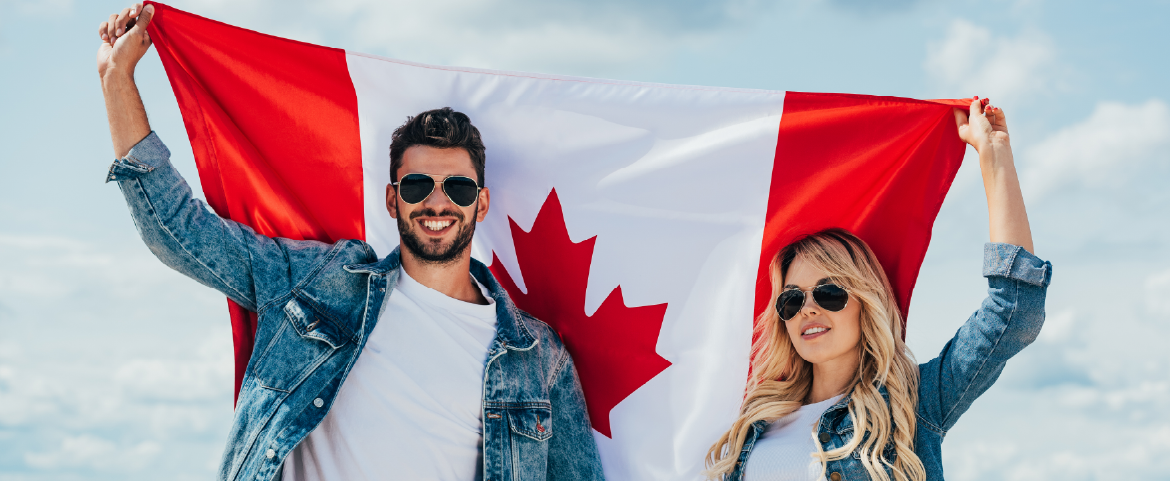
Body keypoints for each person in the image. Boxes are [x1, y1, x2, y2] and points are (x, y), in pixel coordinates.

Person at [96, 4, 605, 481]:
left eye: (458, 187)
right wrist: (116, 79)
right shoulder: (321, 283)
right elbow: (181, 232)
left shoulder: (537, 357)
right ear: (392, 200)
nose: (436, 201)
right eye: (416, 185)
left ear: (481, 203)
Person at [704, 97, 1051, 481]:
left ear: (864, 303)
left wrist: (996, 156)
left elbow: (1015, 311)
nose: (807, 309)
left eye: (828, 293)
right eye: (792, 299)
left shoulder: (914, 403)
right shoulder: (755, 420)